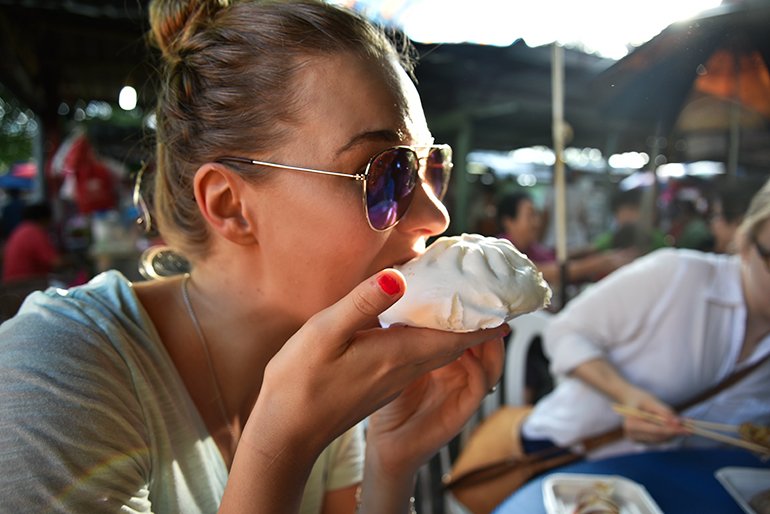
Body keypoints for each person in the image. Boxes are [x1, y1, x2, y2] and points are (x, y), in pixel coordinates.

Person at [0, 2, 508, 513]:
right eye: (388, 173)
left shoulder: (332, 365)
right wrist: (282, 444)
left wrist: (390, 462)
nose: (438, 215)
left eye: (429, 168)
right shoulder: (54, 374)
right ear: (231, 206)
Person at [518, 178, 770, 458]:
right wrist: (625, 394)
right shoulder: (676, 274)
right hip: (574, 453)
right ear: (745, 241)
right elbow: (563, 331)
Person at [497, 191, 636, 287]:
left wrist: (596, 254)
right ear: (508, 222)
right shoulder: (502, 252)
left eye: (536, 215)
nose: (537, 223)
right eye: (530, 216)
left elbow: (556, 257)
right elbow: (547, 271)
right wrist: (600, 262)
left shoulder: (532, 249)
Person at [592, 187, 667, 253]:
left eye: (634, 210)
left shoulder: (656, 239)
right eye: (628, 210)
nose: (629, 216)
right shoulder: (609, 238)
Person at [1, 202, 62, 283]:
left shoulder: (21, 229)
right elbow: (55, 262)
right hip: (24, 283)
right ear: (44, 219)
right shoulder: (34, 232)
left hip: (13, 282)